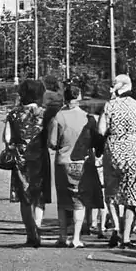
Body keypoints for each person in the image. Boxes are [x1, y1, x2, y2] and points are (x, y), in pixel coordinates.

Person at [98, 74, 136, 249]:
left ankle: (115, 226)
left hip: (113, 151)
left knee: (112, 191)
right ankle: (126, 237)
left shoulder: (110, 105)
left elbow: (100, 131)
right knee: (131, 194)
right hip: (134, 151)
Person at [2, 78, 50, 248]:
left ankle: (30, 233)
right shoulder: (44, 113)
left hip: (20, 158)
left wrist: (14, 143)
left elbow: (6, 138)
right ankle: (37, 227)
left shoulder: (14, 114)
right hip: (39, 157)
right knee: (39, 196)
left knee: (24, 198)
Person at [45, 90, 95, 248]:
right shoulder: (88, 117)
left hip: (63, 162)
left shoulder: (59, 117)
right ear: (79, 97)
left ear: (64, 98)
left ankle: (62, 236)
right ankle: (76, 237)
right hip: (82, 162)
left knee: (63, 200)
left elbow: (52, 143)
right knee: (79, 201)